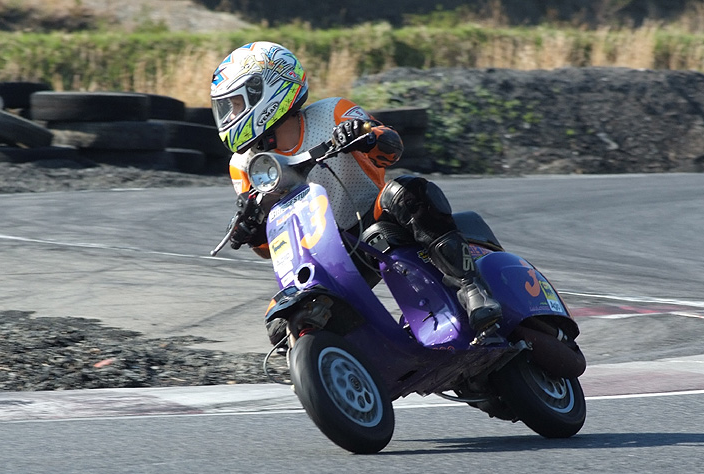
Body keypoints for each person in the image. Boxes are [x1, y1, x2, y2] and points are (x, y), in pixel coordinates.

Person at [210, 41, 501, 343]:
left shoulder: (332, 112)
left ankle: (472, 287)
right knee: (279, 326)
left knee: (406, 191)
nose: (230, 115)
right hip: (323, 257)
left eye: (236, 105)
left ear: (266, 91)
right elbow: (268, 249)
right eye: (227, 108)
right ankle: (364, 355)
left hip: (373, 224)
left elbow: (392, 149)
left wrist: (365, 135)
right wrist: (251, 229)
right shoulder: (242, 165)